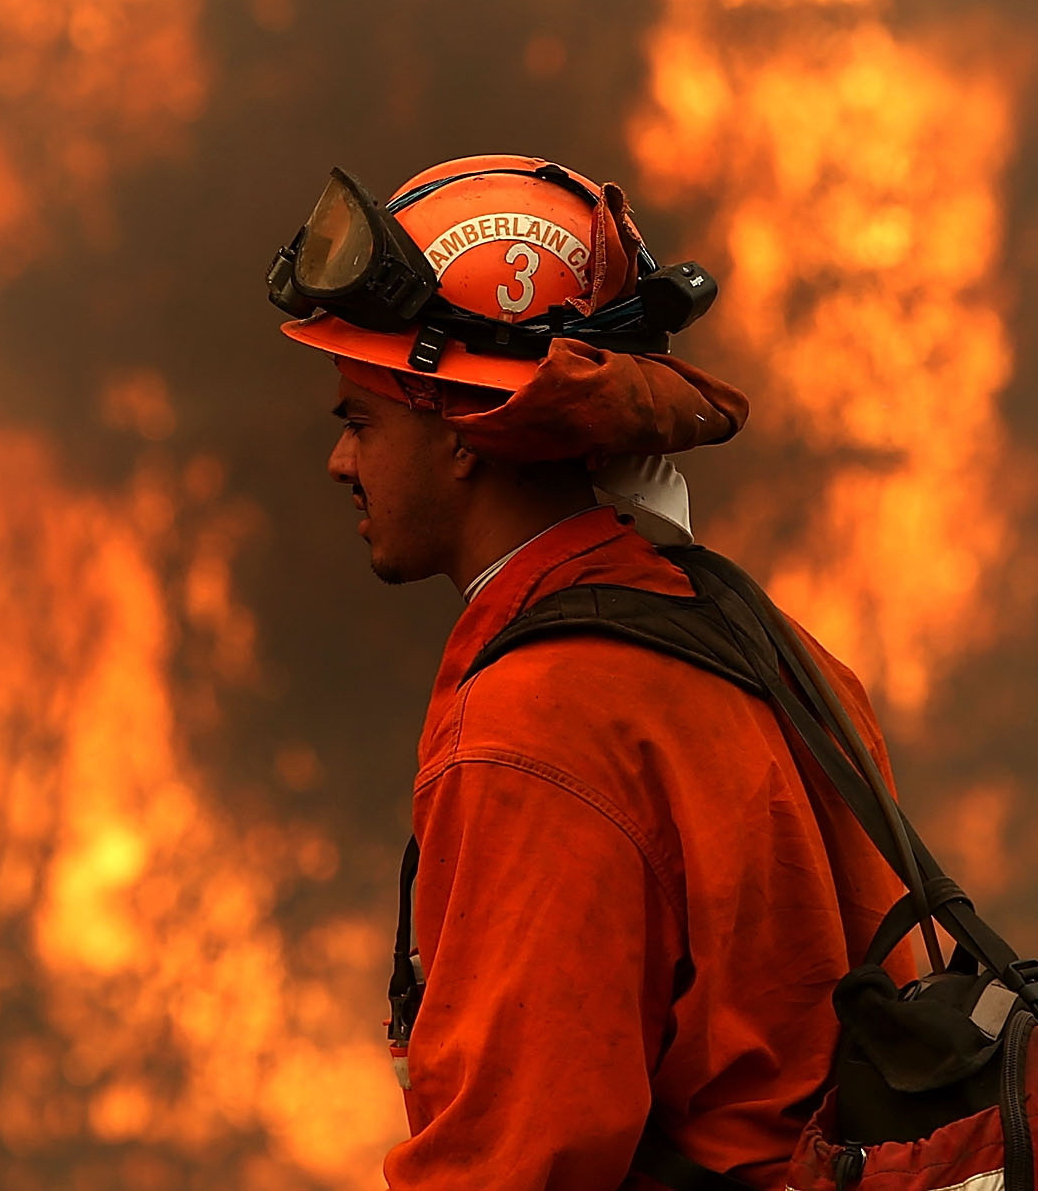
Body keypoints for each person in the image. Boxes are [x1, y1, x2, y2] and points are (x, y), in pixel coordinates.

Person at [267, 154, 919, 1191]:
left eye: (361, 419)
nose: (341, 463)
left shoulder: (538, 724)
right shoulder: (783, 652)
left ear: (462, 425)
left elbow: (515, 1162)